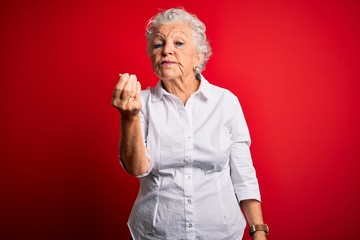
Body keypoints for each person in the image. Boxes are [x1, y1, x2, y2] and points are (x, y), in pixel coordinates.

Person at [112, 8, 268, 240]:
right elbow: (138, 169)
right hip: (156, 234)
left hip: (222, 233)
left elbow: (243, 174)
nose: (166, 50)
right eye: (158, 44)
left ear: (199, 57)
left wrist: (258, 231)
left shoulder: (225, 102)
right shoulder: (140, 102)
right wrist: (129, 117)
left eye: (179, 43)